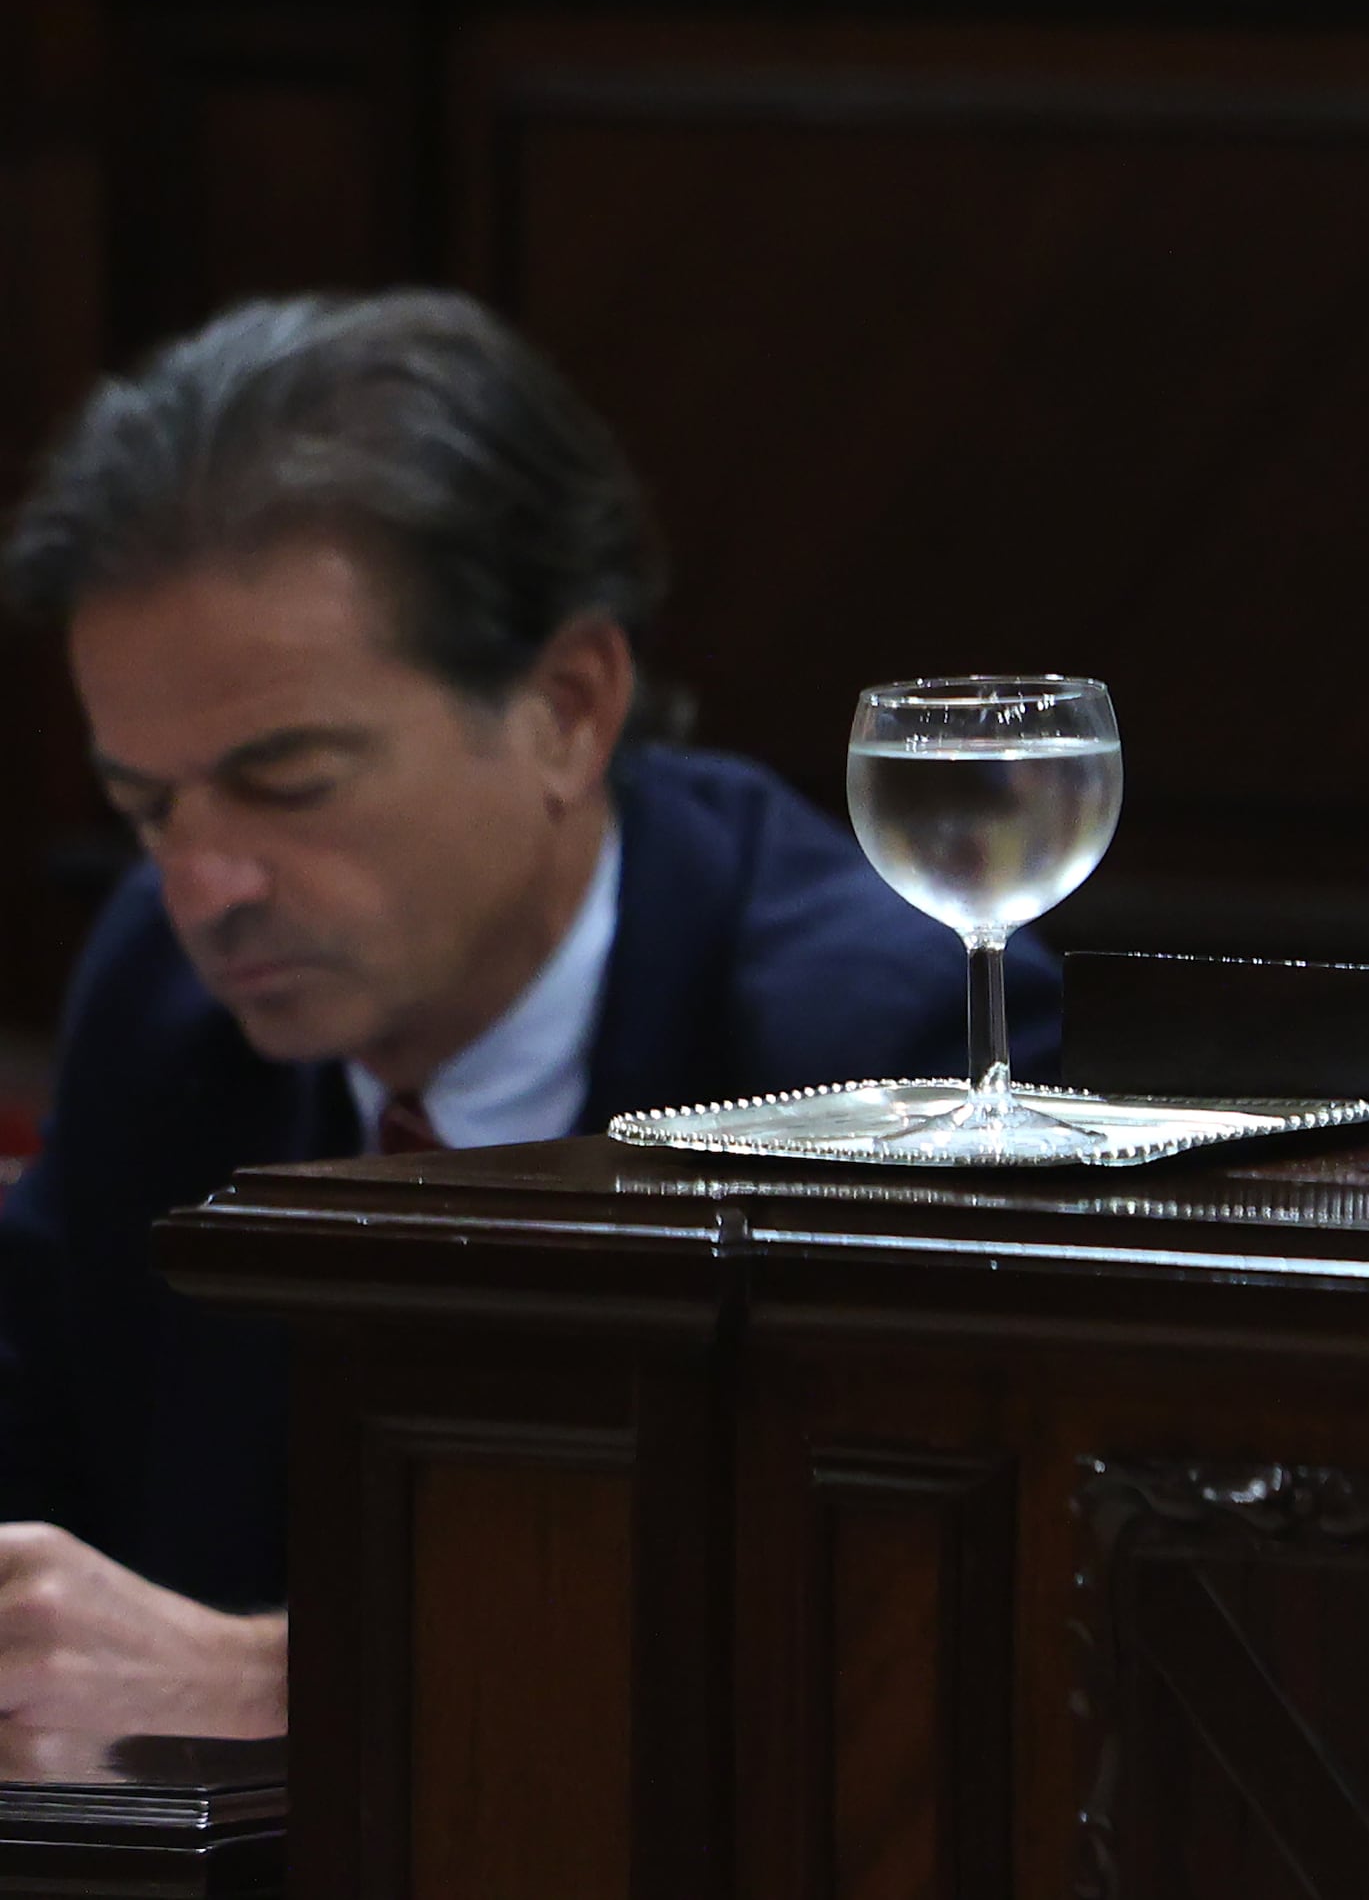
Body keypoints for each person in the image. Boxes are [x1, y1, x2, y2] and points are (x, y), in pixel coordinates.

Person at [0, 293, 1040, 1740]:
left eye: (287, 779)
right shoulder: (157, 994)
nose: (204, 884)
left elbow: (899, 1658)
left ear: (567, 704)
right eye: (144, 804)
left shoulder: (877, 1043)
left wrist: (279, 1688)